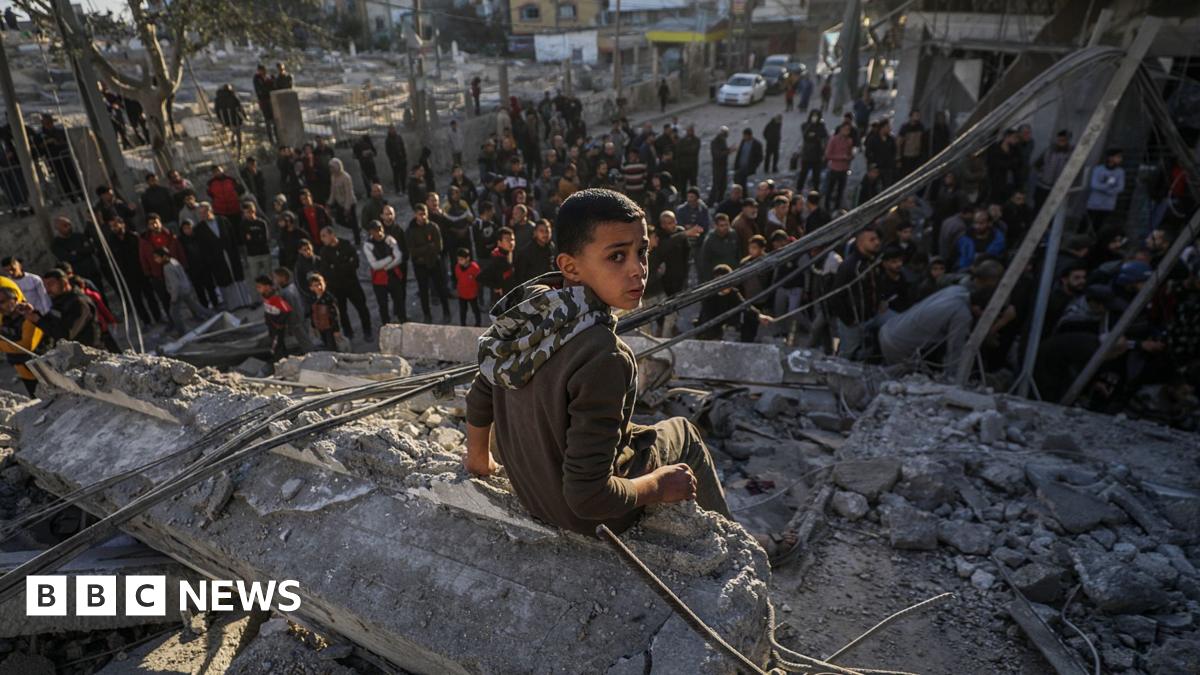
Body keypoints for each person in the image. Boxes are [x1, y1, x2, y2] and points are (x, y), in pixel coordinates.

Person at [463, 188, 734, 539]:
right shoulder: (605, 356)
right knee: (684, 432)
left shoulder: (530, 311)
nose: (638, 270)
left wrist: (479, 460)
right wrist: (657, 484)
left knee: (631, 427)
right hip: (589, 519)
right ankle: (729, 533)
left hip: (532, 493)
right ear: (569, 266)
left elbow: (483, 388)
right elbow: (588, 497)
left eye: (642, 251)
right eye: (617, 256)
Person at [879, 260, 1003, 374]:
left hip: (889, 329)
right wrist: (953, 382)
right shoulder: (962, 315)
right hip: (897, 346)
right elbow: (954, 353)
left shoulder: (957, 290)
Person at [828, 227, 881, 360]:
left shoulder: (871, 261)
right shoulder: (850, 266)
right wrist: (849, 320)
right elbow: (835, 296)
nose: (877, 242)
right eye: (872, 240)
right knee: (847, 354)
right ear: (860, 242)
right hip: (853, 322)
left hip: (868, 318)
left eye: (877, 239)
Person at [194, 202, 252, 309]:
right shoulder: (199, 229)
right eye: (201, 213)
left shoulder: (223, 220)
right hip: (217, 259)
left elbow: (232, 237)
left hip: (230, 253)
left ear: (210, 210)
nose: (203, 215)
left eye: (204, 212)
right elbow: (203, 248)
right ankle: (233, 305)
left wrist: (236, 252)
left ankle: (245, 301)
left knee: (237, 277)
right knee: (225, 280)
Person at [24, 269, 100, 348]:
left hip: (87, 351)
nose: (47, 289)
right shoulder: (58, 301)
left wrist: (39, 321)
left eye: (50, 284)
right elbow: (54, 321)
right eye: (44, 285)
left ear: (64, 282)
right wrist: (35, 314)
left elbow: (67, 334)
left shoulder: (79, 303)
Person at [695, 264, 774, 341]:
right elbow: (708, 317)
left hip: (727, 331)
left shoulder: (733, 293)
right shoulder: (709, 296)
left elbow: (744, 306)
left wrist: (758, 316)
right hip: (709, 332)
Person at [406, 203, 452, 323]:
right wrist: (428, 247)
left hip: (434, 262)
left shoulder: (433, 227)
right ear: (415, 215)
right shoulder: (411, 230)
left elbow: (438, 247)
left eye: (424, 214)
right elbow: (412, 251)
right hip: (420, 265)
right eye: (420, 214)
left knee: (441, 288)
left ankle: (446, 312)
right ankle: (427, 315)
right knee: (423, 291)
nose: (423, 217)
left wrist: (424, 250)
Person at [154, 247, 214, 336]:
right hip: (185, 289)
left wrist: (174, 297)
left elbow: (175, 284)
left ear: (163, 256)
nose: (155, 259)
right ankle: (212, 315)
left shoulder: (167, 268)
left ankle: (181, 332)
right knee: (196, 306)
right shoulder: (174, 261)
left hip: (178, 293)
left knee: (174, 314)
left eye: (157, 257)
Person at [0, 281, 44, 396]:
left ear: (15, 299)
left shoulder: (28, 316)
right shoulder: (5, 320)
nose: (2, 306)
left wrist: (2, 346)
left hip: (43, 369)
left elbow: (26, 346)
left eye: (4, 301)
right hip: (24, 371)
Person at [362, 220, 407, 326]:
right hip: (379, 280)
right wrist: (390, 258)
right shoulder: (368, 245)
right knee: (383, 305)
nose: (379, 233)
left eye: (380, 229)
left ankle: (403, 320)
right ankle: (386, 325)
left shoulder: (390, 240)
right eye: (375, 231)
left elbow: (399, 258)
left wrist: (386, 267)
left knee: (399, 301)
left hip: (393, 275)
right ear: (371, 232)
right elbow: (375, 265)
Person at [1087, 148, 1125, 232]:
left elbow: (1120, 187)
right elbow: (1094, 184)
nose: (1120, 159)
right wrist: (1108, 187)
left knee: (1098, 225)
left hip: (1108, 205)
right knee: (1086, 223)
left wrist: (1109, 190)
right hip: (1094, 203)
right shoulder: (1099, 169)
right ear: (1110, 157)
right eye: (1118, 157)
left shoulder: (1120, 172)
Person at [256, 276, 293, 360]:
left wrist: (279, 323)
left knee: (276, 347)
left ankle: (281, 362)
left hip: (277, 328)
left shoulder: (276, 298)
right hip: (271, 326)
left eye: (259, 287)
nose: (257, 289)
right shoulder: (265, 296)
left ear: (267, 287)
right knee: (278, 346)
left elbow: (287, 310)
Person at [1033, 130, 1071, 209]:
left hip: (1057, 189)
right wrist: (1041, 175)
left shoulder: (1071, 154)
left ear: (1067, 140)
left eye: (1063, 140)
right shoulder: (1049, 150)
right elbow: (1037, 164)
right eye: (1059, 139)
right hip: (1042, 186)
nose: (1061, 142)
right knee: (1038, 207)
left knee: (1051, 210)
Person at [514, 219, 556, 285]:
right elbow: (520, 277)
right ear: (535, 232)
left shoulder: (552, 247)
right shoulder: (526, 252)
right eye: (541, 231)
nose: (545, 234)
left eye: (547, 231)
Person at [306, 272, 340, 351]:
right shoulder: (312, 299)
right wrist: (314, 326)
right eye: (315, 285)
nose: (319, 287)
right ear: (311, 288)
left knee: (332, 346)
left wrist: (336, 330)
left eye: (320, 284)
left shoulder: (328, 298)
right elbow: (312, 314)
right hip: (320, 327)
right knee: (325, 344)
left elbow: (335, 315)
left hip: (329, 327)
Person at [824, 123, 854, 211]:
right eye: (845, 129)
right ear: (841, 129)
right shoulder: (834, 139)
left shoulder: (849, 141)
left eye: (848, 130)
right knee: (830, 189)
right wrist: (841, 157)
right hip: (834, 168)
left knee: (840, 191)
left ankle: (837, 207)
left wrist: (850, 156)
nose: (847, 131)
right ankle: (826, 206)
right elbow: (828, 155)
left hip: (844, 169)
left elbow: (850, 154)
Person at [241, 201, 273, 286]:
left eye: (249, 212)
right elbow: (244, 240)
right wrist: (257, 237)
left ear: (253, 210)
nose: (247, 214)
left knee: (269, 277)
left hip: (264, 253)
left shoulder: (261, 223)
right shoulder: (243, 225)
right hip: (252, 255)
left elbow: (265, 239)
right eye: (245, 213)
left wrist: (251, 238)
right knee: (256, 279)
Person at [453, 248, 482, 327]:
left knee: (475, 310)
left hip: (472, 294)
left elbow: (479, 280)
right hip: (462, 294)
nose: (459, 261)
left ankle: (478, 324)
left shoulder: (475, 268)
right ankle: (463, 325)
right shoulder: (457, 267)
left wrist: (477, 291)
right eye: (458, 259)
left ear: (468, 258)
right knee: (463, 311)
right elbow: (457, 277)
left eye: (461, 259)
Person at [864, 120, 898, 187]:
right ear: (882, 128)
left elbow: (894, 152)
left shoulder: (891, 139)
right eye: (887, 127)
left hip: (887, 167)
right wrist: (872, 164)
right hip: (876, 167)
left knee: (887, 185)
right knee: (873, 186)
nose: (889, 129)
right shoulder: (873, 139)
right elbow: (868, 152)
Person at [214, 84, 245, 153]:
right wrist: (244, 117)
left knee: (233, 130)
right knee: (238, 132)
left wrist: (221, 120)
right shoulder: (233, 97)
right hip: (235, 120)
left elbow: (217, 111)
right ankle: (239, 148)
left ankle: (232, 142)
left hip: (225, 121)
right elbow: (240, 108)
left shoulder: (218, 99)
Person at [896, 110, 926, 177]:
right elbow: (899, 143)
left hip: (917, 156)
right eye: (915, 115)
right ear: (911, 116)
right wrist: (898, 158)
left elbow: (923, 141)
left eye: (918, 115)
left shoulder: (920, 127)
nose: (917, 117)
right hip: (906, 156)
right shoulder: (905, 128)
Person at [252, 64, 275, 142]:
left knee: (274, 119)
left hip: (271, 99)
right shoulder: (257, 78)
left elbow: (273, 86)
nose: (263, 72)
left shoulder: (268, 77)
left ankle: (276, 136)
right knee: (268, 120)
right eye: (262, 70)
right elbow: (261, 89)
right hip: (264, 101)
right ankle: (271, 138)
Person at [674, 125, 701, 191]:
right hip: (683, 168)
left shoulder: (697, 140)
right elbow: (678, 152)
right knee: (683, 185)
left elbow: (694, 151)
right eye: (689, 130)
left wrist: (684, 150)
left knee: (693, 185)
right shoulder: (681, 141)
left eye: (691, 131)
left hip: (693, 167)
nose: (690, 132)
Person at [709, 126, 730, 205]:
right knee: (716, 185)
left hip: (723, 166)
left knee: (723, 185)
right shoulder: (715, 142)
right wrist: (728, 151)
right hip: (717, 167)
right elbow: (717, 155)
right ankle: (711, 202)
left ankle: (719, 201)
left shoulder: (722, 140)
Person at [385, 126, 408, 194]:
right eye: (391, 129)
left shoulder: (398, 137)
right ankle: (398, 190)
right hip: (395, 160)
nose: (392, 130)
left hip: (402, 159)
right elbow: (388, 151)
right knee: (396, 175)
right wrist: (393, 160)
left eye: (393, 129)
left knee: (403, 175)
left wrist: (404, 157)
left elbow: (402, 147)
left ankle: (404, 189)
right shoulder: (388, 140)